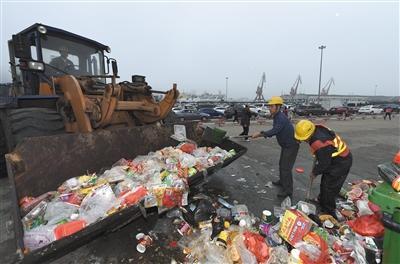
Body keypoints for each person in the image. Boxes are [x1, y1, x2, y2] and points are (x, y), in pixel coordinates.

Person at [294, 119, 353, 217]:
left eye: (303, 138)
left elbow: (324, 163)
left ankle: (329, 211)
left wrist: (314, 172)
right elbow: (324, 156)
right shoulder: (316, 128)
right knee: (325, 183)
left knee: (330, 188)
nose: (303, 141)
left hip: (341, 162)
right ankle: (321, 201)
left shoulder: (319, 143)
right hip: (333, 158)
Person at [252, 96, 299, 198]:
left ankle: (288, 190)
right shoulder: (277, 116)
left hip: (291, 146)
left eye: (271, 106)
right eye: (269, 106)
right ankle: (282, 181)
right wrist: (261, 134)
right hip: (286, 145)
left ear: (278, 107)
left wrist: (260, 134)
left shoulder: (280, 118)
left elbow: (274, 131)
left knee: (286, 168)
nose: (269, 108)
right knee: (282, 164)